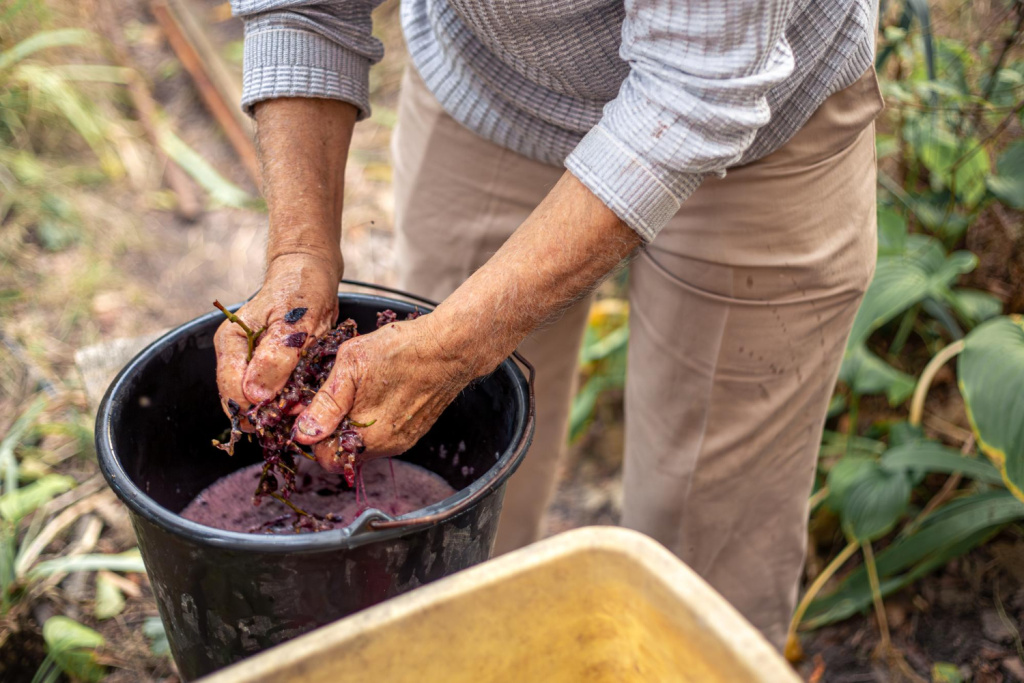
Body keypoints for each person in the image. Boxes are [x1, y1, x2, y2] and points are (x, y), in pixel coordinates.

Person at [214, 0, 883, 648]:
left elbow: (697, 88)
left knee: (707, 552)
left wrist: (449, 351)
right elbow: (303, 7)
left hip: (758, 117)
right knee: (451, 513)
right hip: (493, 88)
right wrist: (299, 254)